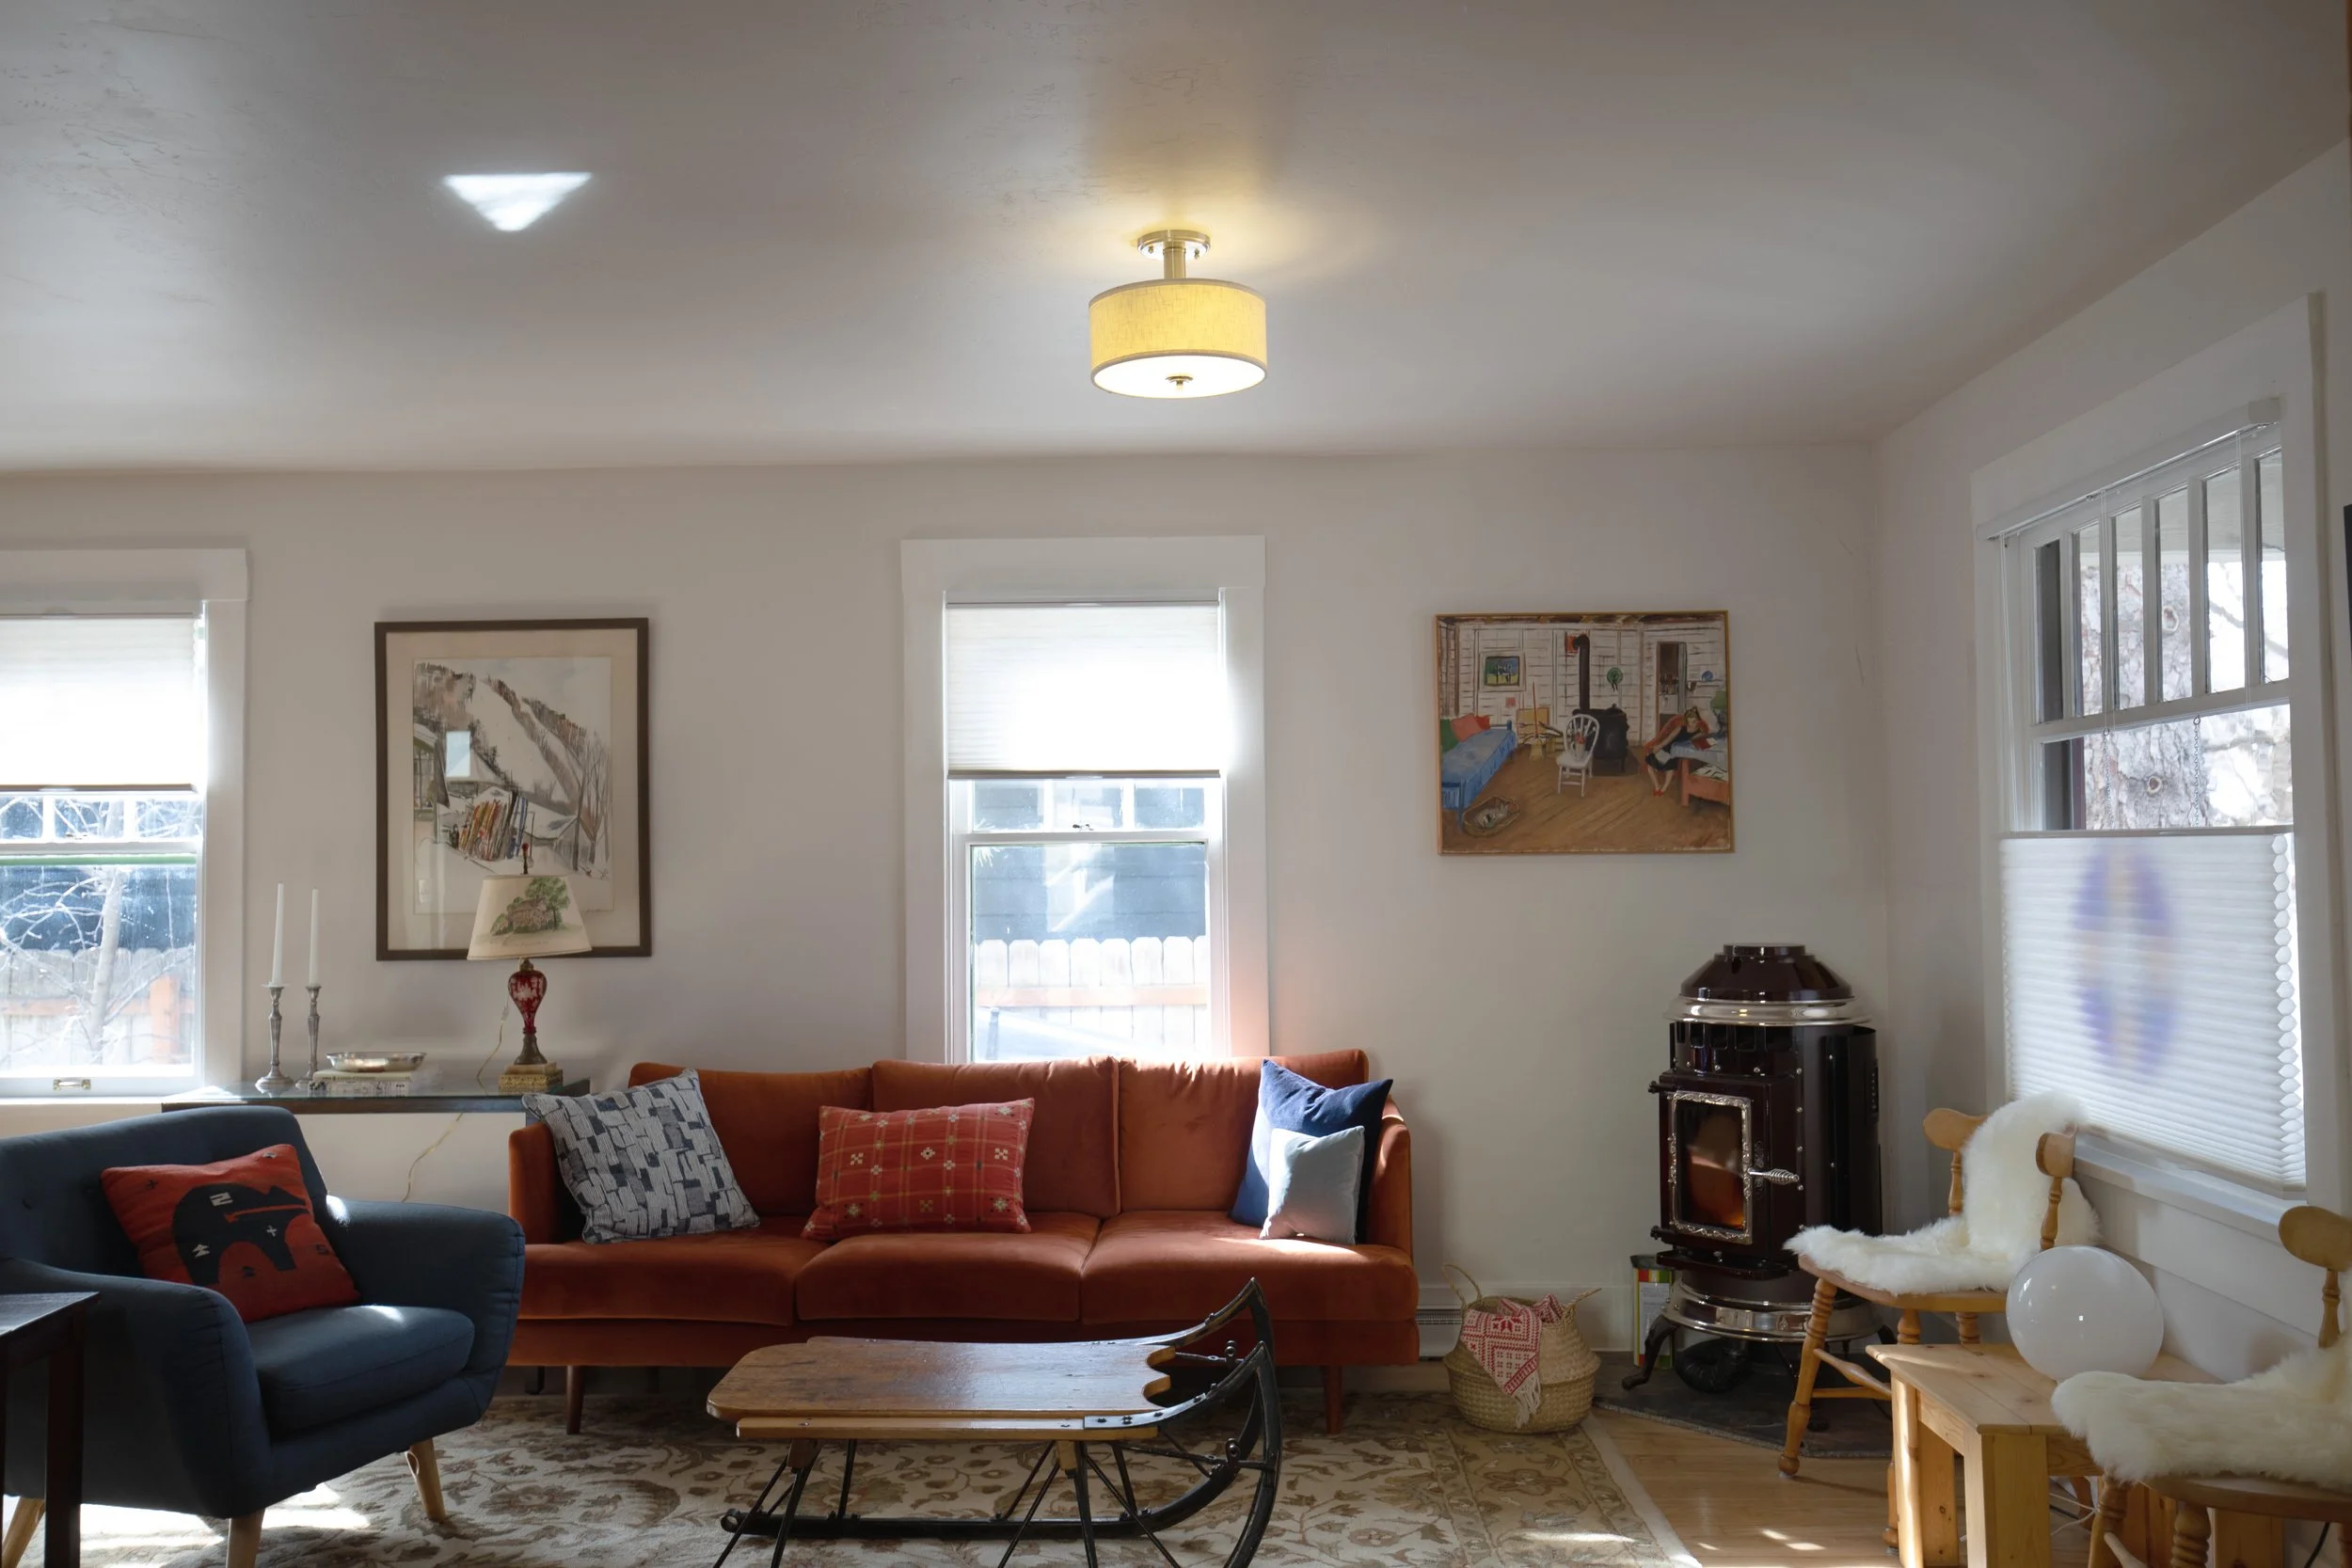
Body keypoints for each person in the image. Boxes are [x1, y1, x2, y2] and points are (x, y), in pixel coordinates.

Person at [1643, 706, 1711, 795]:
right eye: (1689, 721)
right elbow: (1669, 738)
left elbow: (1699, 742)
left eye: (1693, 721)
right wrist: (1659, 746)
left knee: (1670, 768)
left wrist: (1702, 735)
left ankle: (1663, 789)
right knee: (1650, 764)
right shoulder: (1680, 728)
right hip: (1668, 747)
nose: (1691, 724)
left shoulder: (1699, 732)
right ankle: (1657, 786)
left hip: (1677, 752)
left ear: (1698, 721)